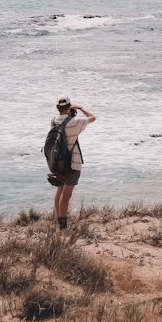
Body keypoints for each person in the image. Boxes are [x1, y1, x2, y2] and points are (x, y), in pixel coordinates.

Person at [46, 96, 96, 229]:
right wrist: (81, 108)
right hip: (72, 163)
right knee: (66, 195)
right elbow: (92, 118)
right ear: (69, 107)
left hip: (57, 162)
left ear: (58, 108)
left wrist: (68, 110)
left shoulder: (54, 121)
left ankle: (59, 220)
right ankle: (63, 226)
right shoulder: (74, 122)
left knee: (59, 192)